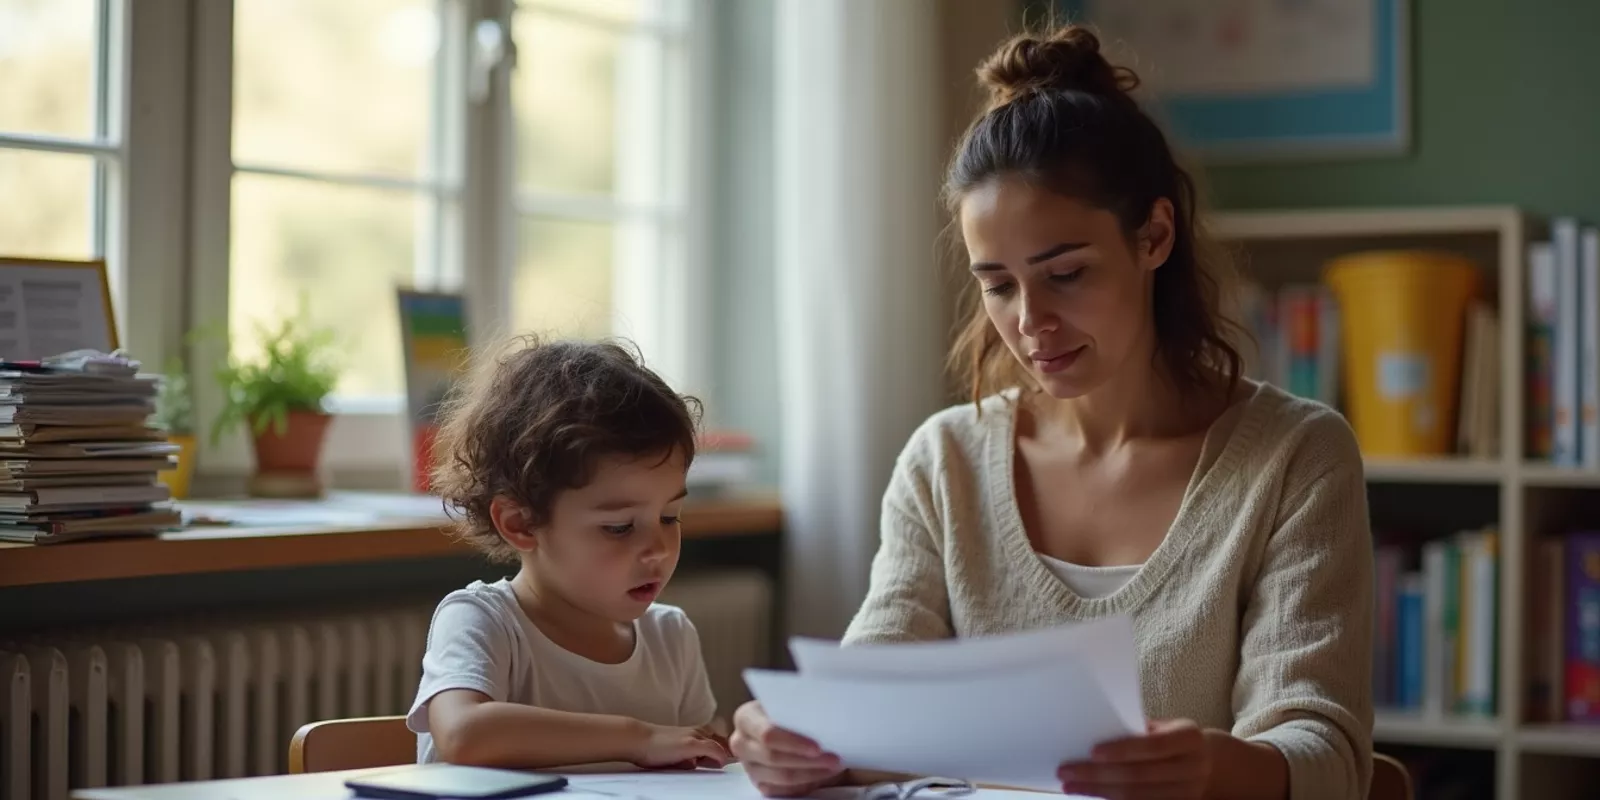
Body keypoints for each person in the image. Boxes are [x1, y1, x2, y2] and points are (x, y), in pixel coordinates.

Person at [730, 23, 1373, 800]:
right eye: (998, 284)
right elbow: (873, 701)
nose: (1030, 320)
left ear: (1155, 236)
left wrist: (1217, 768)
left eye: (1064, 273)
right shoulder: (946, 461)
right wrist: (794, 739)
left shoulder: (1296, 455)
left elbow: (1328, 755)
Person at [406, 336, 733, 770]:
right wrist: (637, 738)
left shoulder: (672, 639)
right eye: (619, 527)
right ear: (520, 523)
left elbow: (703, 765)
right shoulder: (484, 620)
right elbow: (464, 734)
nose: (658, 549)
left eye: (670, 517)